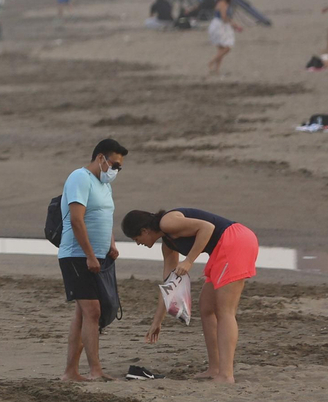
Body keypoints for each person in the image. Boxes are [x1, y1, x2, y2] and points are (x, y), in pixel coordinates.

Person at [122, 206, 258, 383]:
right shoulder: (168, 245)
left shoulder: (167, 222)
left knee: (225, 310)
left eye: (136, 239)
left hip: (236, 241)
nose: (138, 243)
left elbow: (207, 227)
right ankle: (214, 368)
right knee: (206, 308)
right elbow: (169, 284)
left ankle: (226, 375)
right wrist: (157, 321)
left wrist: (188, 261)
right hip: (221, 248)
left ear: (144, 231)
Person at [57, 138, 128, 383]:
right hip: (77, 256)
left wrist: (111, 244)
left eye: (119, 167)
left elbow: (104, 216)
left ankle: (71, 372)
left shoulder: (104, 185)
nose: (116, 170)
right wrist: (89, 254)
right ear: (100, 158)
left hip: (98, 257)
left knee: (83, 314)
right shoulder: (80, 178)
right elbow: (77, 220)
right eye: (114, 165)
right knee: (93, 311)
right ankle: (95, 370)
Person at [207, 0, 241, 74]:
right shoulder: (223, 3)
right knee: (227, 47)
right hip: (219, 26)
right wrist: (234, 25)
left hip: (218, 25)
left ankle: (216, 70)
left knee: (221, 49)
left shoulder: (221, 2)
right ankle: (211, 61)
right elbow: (224, 17)